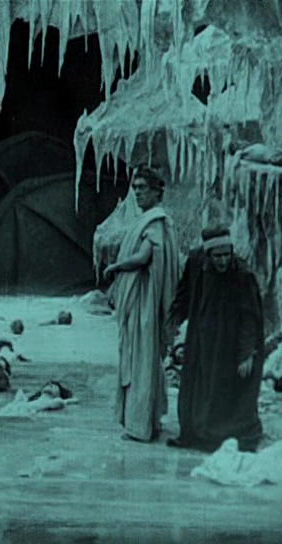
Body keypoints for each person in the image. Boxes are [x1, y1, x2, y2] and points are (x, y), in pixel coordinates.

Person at [166, 226, 265, 452]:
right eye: (217, 256)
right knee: (197, 385)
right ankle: (197, 431)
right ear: (208, 254)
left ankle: (218, 435)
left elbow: (250, 317)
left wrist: (246, 353)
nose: (223, 261)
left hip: (228, 340)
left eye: (227, 255)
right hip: (200, 338)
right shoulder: (196, 262)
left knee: (223, 388)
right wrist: (174, 322)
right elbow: (184, 293)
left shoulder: (242, 275)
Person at [103, 166, 180, 442]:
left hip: (145, 301)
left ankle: (139, 426)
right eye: (135, 188)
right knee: (144, 359)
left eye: (143, 188)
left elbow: (145, 256)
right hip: (142, 299)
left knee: (141, 360)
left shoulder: (156, 221)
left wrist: (116, 266)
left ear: (157, 191)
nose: (137, 193)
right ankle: (150, 420)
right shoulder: (152, 220)